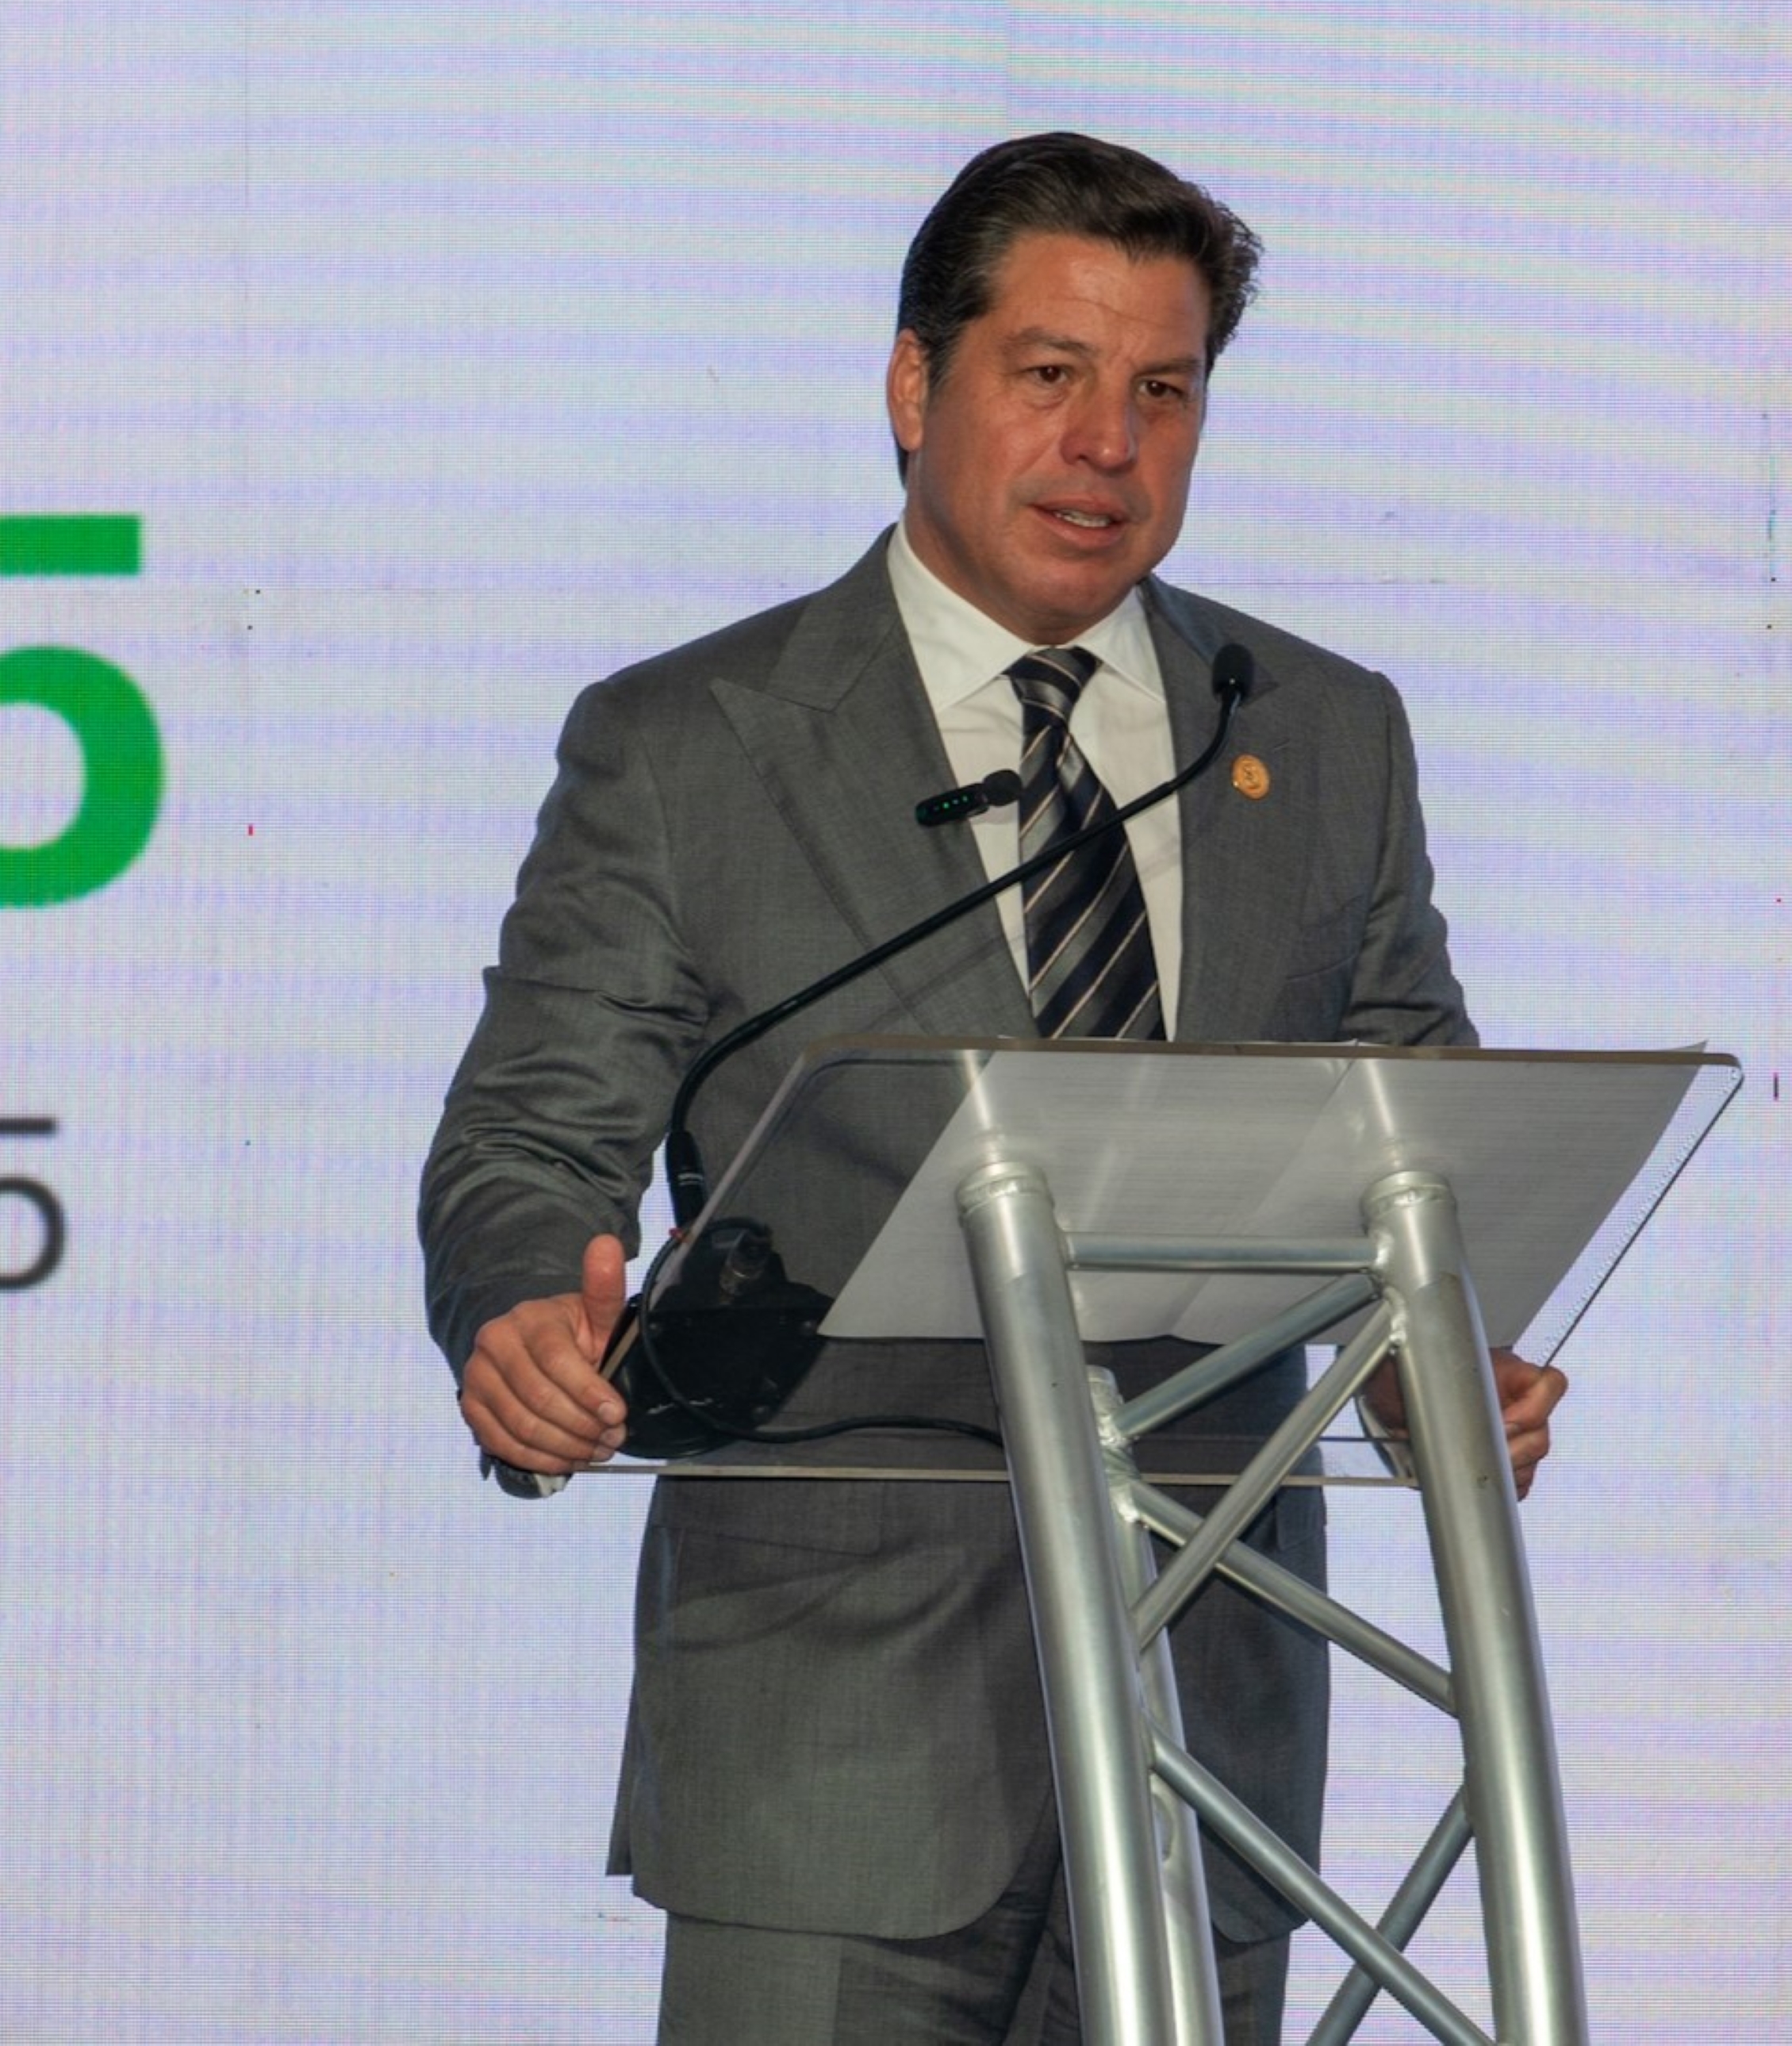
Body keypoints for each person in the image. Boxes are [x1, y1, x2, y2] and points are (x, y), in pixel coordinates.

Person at [423, 132, 1567, 2046]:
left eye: (1164, 390)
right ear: (911, 386)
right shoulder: (688, 742)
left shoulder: (1316, 731)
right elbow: (531, 1132)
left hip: (1215, 1733)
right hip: (830, 1741)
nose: (1107, 442)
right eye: (1049, 375)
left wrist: (1436, 1338)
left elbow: (1405, 1118)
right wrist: (526, 1301)